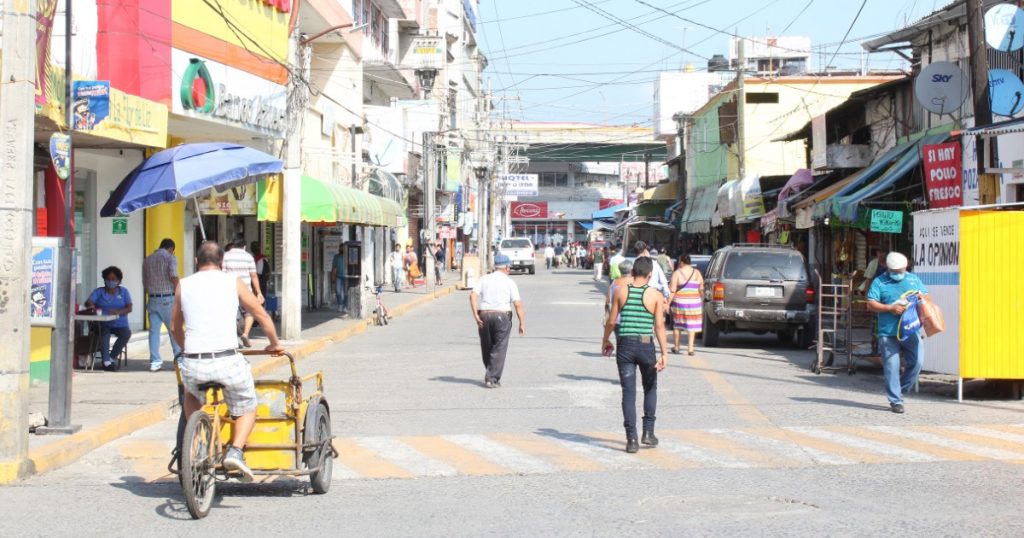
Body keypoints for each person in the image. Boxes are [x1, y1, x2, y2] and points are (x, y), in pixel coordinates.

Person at [172, 241, 283, 482]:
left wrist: (186, 349)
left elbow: (174, 327)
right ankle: (235, 451)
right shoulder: (233, 282)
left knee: (191, 395)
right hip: (227, 360)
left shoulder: (184, 284)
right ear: (222, 263)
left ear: (195, 261)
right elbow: (260, 314)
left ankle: (197, 436)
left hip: (193, 361)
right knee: (247, 405)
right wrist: (274, 343)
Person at [601, 257, 668, 453]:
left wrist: (605, 341)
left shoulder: (621, 291)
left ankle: (631, 440)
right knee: (650, 387)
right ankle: (648, 432)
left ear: (633, 272)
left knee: (628, 393)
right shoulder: (655, 295)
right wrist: (664, 352)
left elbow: (611, 321)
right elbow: (659, 326)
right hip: (646, 346)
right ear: (649, 275)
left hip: (625, 346)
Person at [865, 252, 928, 414]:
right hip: (888, 332)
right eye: (896, 271)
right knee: (892, 367)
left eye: (902, 270)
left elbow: (926, 299)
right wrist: (889, 308)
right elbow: (870, 304)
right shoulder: (880, 282)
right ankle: (896, 400)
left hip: (911, 330)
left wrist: (923, 303)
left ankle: (900, 388)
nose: (900, 274)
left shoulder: (913, 279)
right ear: (888, 268)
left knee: (917, 362)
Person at [469, 255, 526, 388]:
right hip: (502, 316)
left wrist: (475, 315)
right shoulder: (509, 282)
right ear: (506, 267)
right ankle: (491, 378)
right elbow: (517, 304)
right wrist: (521, 322)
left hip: (484, 315)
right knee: (499, 348)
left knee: (487, 347)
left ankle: (491, 372)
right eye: (509, 267)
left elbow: (472, 295)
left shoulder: (484, 279)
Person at [142, 238, 181, 372]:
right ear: (171, 249)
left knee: (154, 332)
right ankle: (179, 359)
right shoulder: (170, 258)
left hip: (152, 299)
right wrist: (179, 292)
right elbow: (173, 276)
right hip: (167, 299)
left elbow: (145, 282)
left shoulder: (147, 260)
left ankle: (155, 361)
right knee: (174, 330)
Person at [84, 266, 133, 371]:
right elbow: (88, 302)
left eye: (113, 279)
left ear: (119, 281)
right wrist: (91, 305)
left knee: (126, 333)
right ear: (104, 280)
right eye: (108, 279)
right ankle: (106, 362)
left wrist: (118, 312)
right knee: (104, 331)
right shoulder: (99, 292)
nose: (110, 281)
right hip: (102, 323)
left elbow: (129, 308)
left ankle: (111, 358)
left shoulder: (123, 292)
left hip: (119, 324)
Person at [223, 238, 264, 346]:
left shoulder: (226, 256)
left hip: (229, 290)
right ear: (244, 246)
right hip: (246, 290)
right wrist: (258, 292)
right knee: (250, 312)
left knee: (230, 315)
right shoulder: (248, 257)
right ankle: (245, 333)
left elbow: (222, 273)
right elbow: (254, 275)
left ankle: (235, 337)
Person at [669, 255, 704, 355]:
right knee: (692, 327)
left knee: (677, 325)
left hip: (680, 303)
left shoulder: (677, 273)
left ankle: (676, 347)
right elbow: (701, 289)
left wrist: (667, 303)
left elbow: (672, 290)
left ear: (682, 262)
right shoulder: (697, 273)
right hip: (694, 303)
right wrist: (701, 301)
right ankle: (690, 349)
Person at [605, 259, 635, 327]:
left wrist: (606, 313)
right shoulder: (635, 282)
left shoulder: (613, 283)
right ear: (631, 270)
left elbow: (608, 301)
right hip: (632, 319)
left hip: (616, 320)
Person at [329, 242, 347, 313]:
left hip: (346, 277)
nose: (342, 249)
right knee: (338, 291)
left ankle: (345, 306)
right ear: (339, 248)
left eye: (344, 248)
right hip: (338, 277)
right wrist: (332, 276)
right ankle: (340, 304)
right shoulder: (336, 257)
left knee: (346, 293)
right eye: (341, 247)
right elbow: (334, 267)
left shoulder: (347, 256)